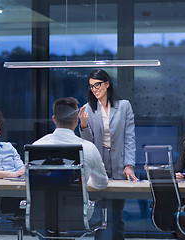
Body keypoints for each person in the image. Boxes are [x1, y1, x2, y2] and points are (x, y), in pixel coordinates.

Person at [78, 69, 137, 240]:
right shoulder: (88, 108)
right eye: (91, 86)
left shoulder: (124, 106)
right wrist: (83, 125)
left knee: (116, 213)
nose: (95, 89)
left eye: (97, 85)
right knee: (101, 215)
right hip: (98, 166)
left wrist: (129, 164)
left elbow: (129, 137)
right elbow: (88, 142)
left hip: (119, 166)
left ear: (107, 84)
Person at [33, 97, 108, 190]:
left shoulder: (36, 147)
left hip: (40, 204)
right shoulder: (88, 148)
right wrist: (84, 179)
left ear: (54, 119)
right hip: (76, 203)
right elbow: (101, 184)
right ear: (76, 120)